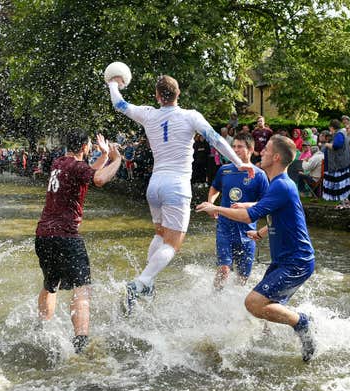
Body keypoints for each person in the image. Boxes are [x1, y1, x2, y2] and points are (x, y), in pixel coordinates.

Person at [107, 74, 255, 316]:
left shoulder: (148, 114)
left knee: (161, 234)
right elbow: (216, 140)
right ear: (179, 95)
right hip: (176, 186)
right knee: (173, 243)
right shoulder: (190, 116)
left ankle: (149, 281)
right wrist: (239, 163)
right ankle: (142, 282)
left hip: (154, 185)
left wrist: (113, 84)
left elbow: (119, 104)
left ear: (157, 96)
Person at [196, 135, 316, 362]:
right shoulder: (279, 184)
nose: (262, 152)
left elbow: (249, 215)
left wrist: (217, 208)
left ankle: (302, 322)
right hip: (286, 260)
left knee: (253, 303)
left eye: (267, 150)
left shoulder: (281, 184)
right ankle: (287, 333)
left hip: (296, 261)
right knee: (264, 306)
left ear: (277, 157)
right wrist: (260, 233)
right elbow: (277, 212)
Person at [35, 130, 121, 353]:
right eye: (90, 146)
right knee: (82, 289)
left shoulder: (59, 162)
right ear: (84, 147)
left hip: (44, 235)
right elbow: (99, 178)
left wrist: (102, 156)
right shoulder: (77, 167)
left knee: (50, 284)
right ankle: (81, 343)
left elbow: (87, 172)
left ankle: (41, 331)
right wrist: (116, 159)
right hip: (66, 236)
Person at [206, 132, 269, 289]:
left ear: (251, 149)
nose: (235, 150)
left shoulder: (259, 175)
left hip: (247, 232)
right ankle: (214, 299)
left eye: (240, 147)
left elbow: (266, 203)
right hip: (225, 227)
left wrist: (246, 205)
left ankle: (235, 306)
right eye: (233, 146)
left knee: (242, 279)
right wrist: (210, 203)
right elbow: (215, 188)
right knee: (224, 269)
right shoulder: (225, 170)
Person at [322, 119, 350, 201]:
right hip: (340, 162)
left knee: (336, 181)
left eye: (330, 128)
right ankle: (337, 197)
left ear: (332, 127)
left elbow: (336, 145)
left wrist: (327, 144)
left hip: (338, 164)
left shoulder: (339, 134)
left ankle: (335, 197)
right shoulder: (341, 133)